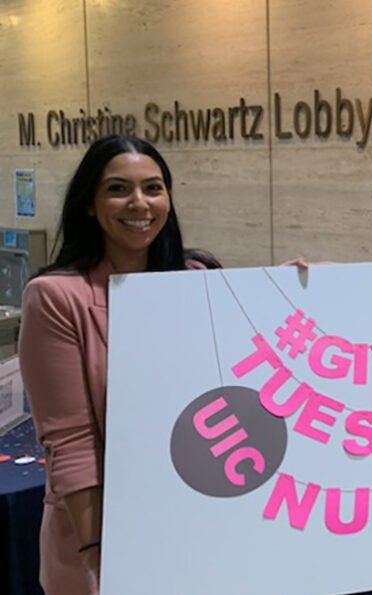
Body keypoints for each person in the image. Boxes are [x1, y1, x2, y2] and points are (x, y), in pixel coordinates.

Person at [19, 135, 205, 594]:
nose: (139, 203)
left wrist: (300, 287)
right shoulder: (57, 297)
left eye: (154, 188)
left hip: (195, 529)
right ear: (89, 203)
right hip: (101, 542)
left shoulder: (195, 280)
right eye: (118, 189)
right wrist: (104, 561)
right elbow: (71, 441)